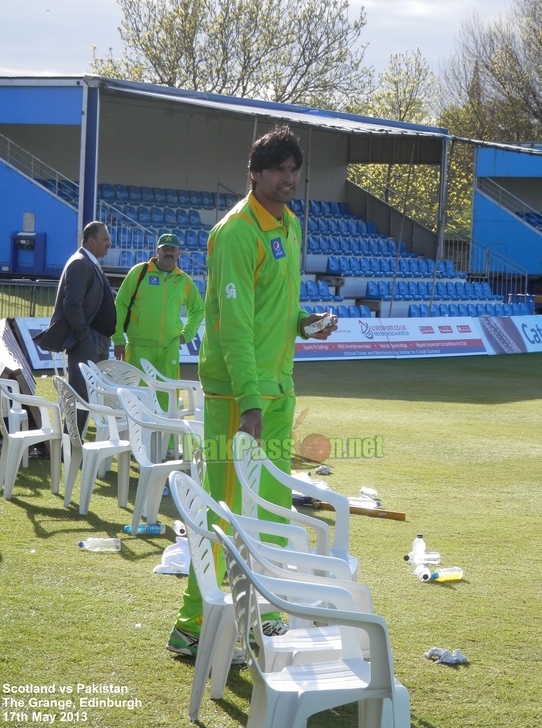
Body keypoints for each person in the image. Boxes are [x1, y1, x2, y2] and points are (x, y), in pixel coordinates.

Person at [167, 125, 337, 659]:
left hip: (277, 389)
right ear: (255, 174)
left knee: (267, 508)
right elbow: (233, 327)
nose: (289, 179)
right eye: (278, 170)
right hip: (240, 397)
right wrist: (252, 405)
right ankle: (194, 624)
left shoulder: (290, 224)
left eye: (294, 170)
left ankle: (257, 617)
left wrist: (304, 322)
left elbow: (273, 311)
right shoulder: (236, 232)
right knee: (225, 507)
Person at [33, 221, 116, 432]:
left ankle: (74, 442)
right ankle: (70, 446)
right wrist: (84, 335)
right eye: (105, 239)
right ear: (91, 240)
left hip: (96, 338)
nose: (109, 243)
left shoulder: (90, 262)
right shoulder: (80, 263)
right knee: (80, 393)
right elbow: (72, 304)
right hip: (87, 339)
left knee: (88, 393)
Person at [112, 233, 204, 411]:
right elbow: (121, 304)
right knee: (134, 398)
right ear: (157, 251)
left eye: (172, 249)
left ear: (179, 253)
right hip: (138, 347)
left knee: (167, 399)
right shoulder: (140, 272)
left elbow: (198, 309)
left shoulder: (184, 280)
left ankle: (166, 439)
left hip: (169, 349)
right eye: (165, 249)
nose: (168, 253)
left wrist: (187, 335)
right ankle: (134, 438)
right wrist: (118, 339)